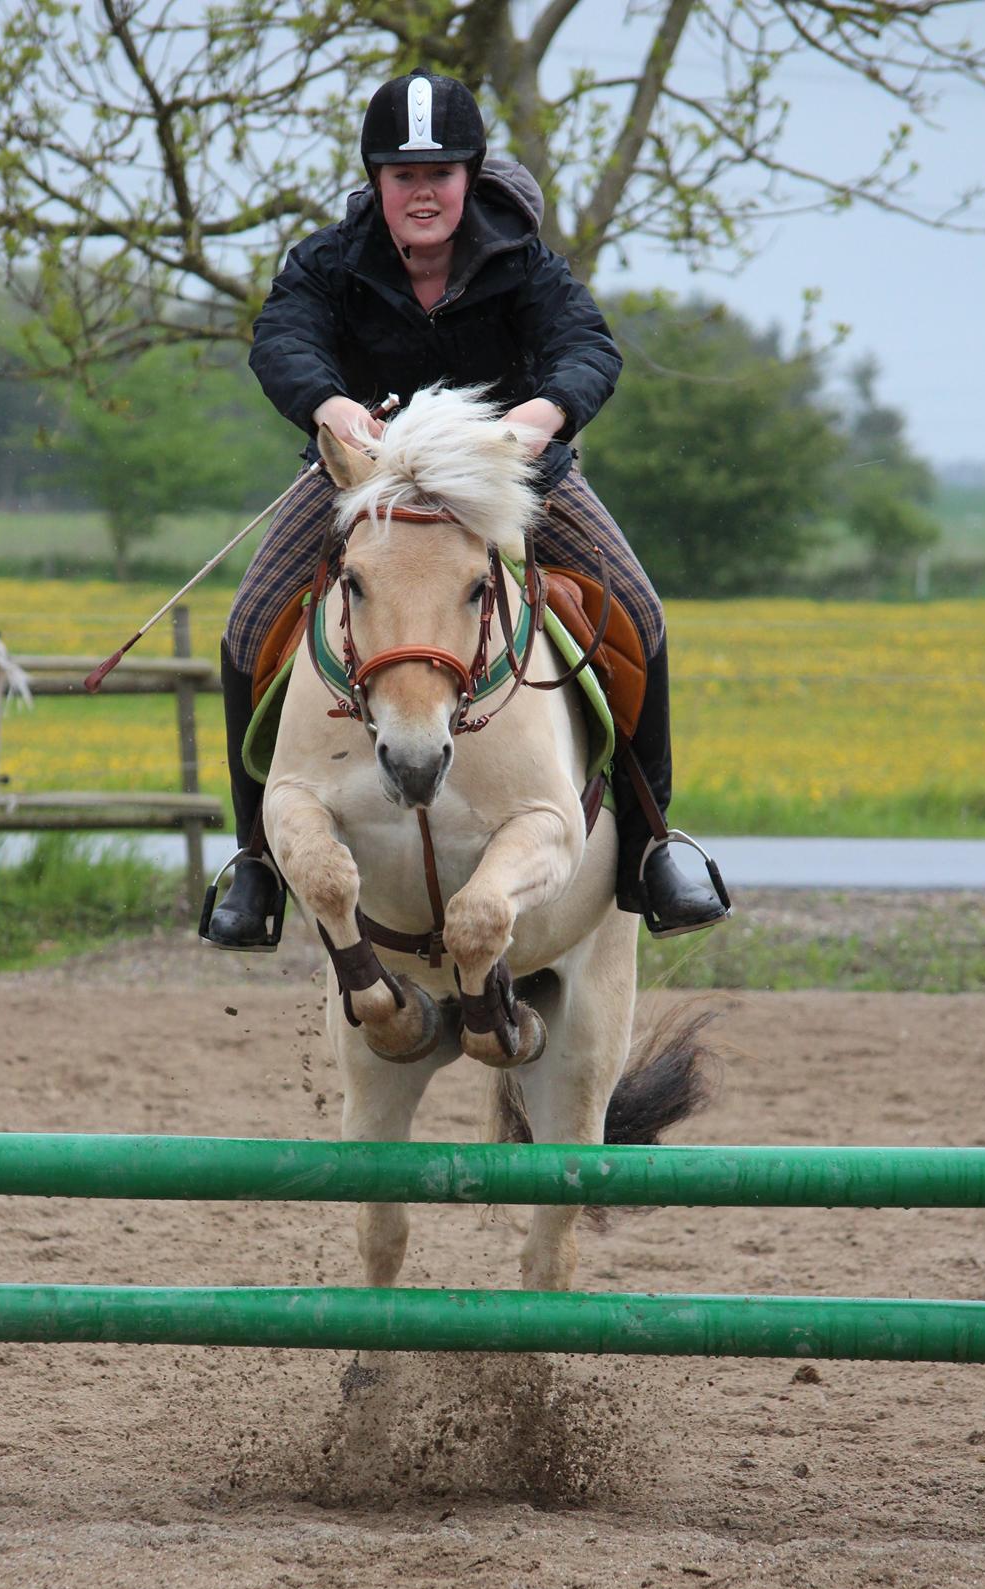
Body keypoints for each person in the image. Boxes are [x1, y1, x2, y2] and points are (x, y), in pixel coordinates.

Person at [205, 69, 729, 949]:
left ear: (470, 176)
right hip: (367, 480)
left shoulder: (519, 258)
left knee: (640, 612)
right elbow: (282, 338)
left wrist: (542, 414)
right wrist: (328, 404)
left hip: (506, 479)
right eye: (404, 175)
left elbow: (587, 347)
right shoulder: (328, 259)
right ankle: (256, 859)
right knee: (247, 622)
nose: (423, 192)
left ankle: (651, 845)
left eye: (441, 173)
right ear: (377, 179)